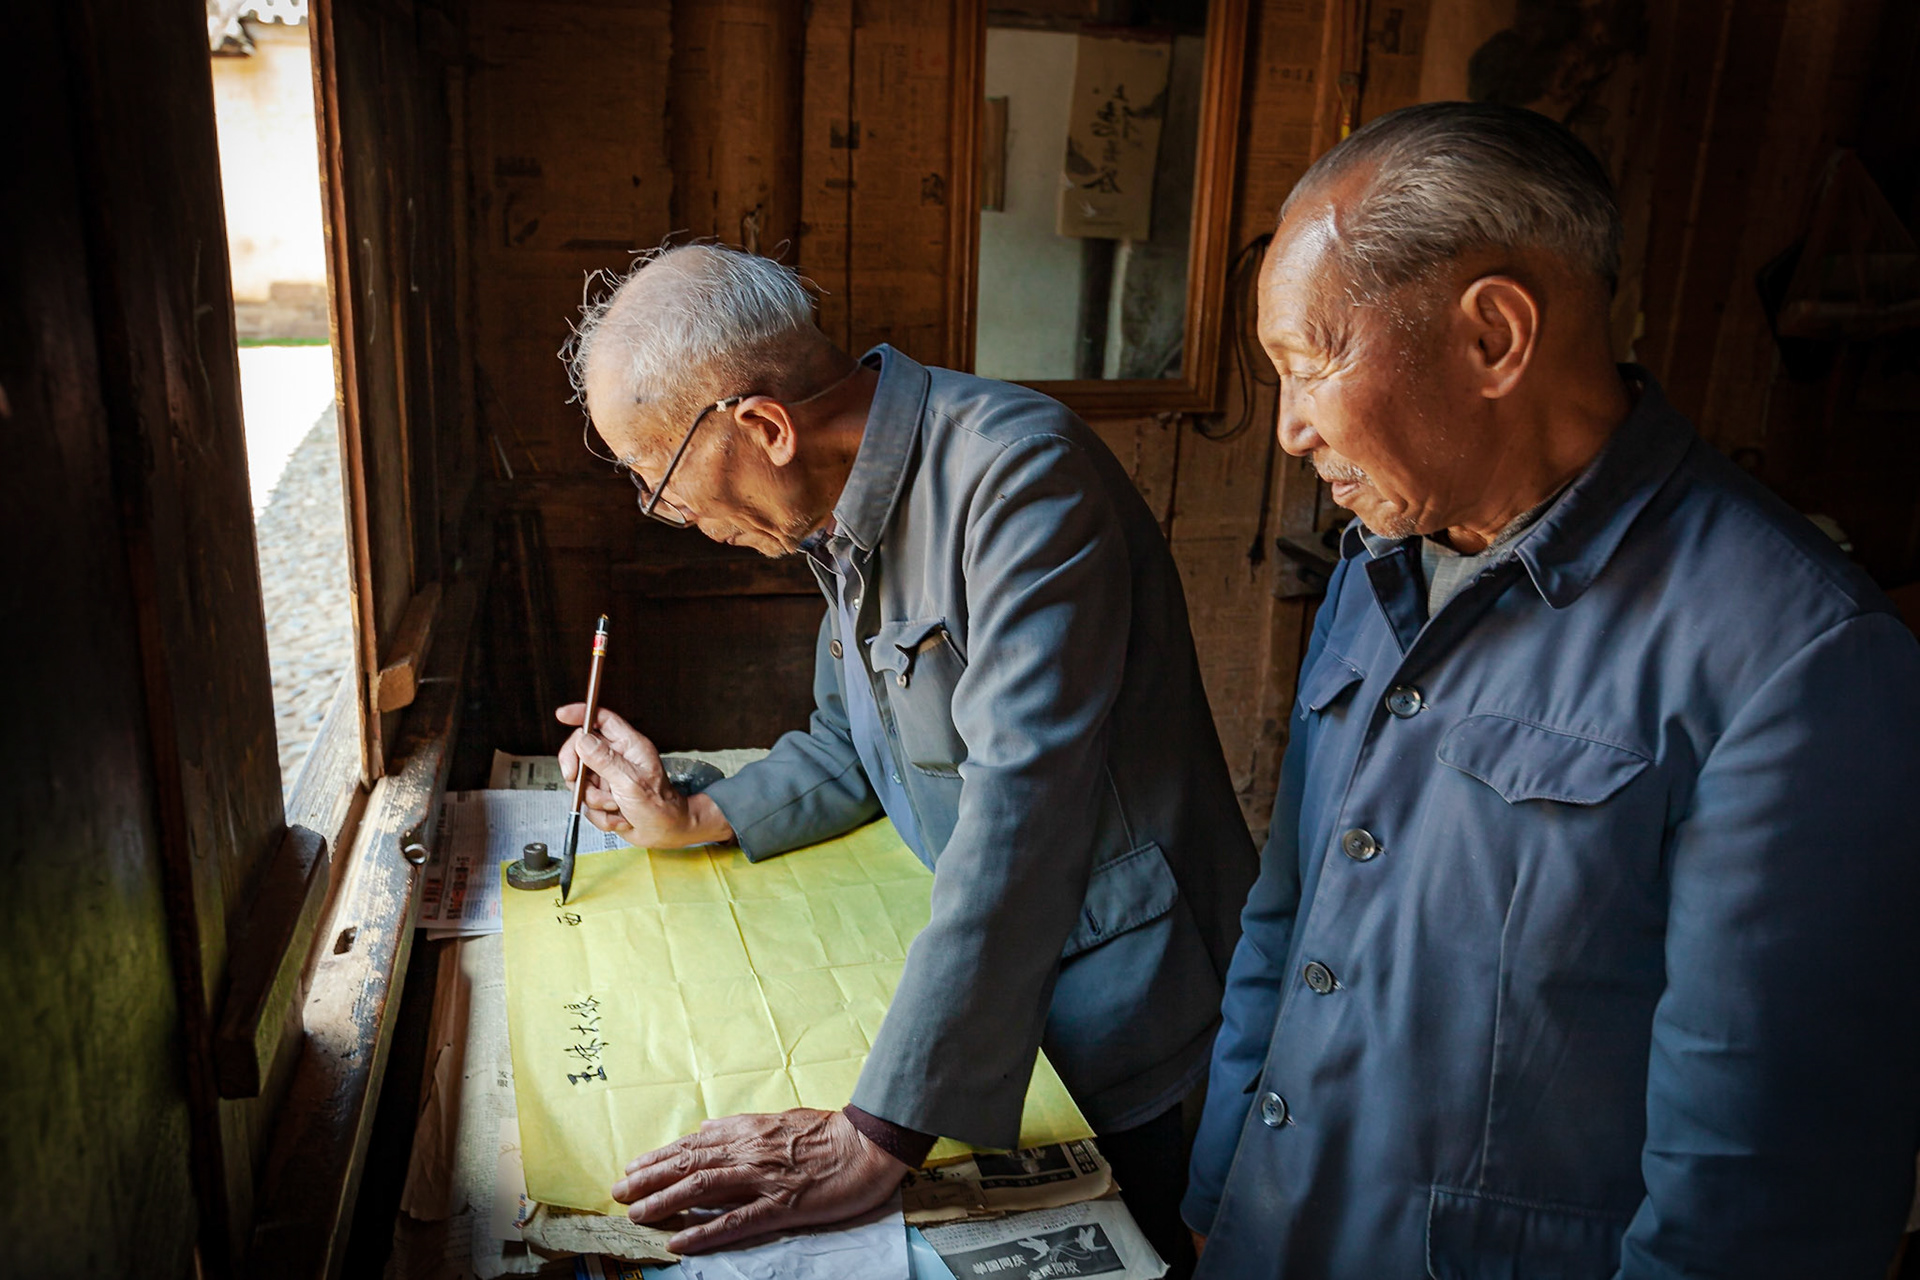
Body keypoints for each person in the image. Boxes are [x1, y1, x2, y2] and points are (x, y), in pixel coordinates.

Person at [1184, 101, 1920, 1278]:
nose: (1291, 431)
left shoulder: (1799, 656)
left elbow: (1760, 1183)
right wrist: (1222, 1184)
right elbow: (1287, 916)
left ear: (1492, 336)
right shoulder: (1381, 568)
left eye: (1310, 361)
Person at [556, 243, 1256, 1270]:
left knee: (1149, 1231)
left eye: (658, 479)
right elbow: (853, 738)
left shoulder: (1022, 480)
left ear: (763, 426)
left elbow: (1023, 814)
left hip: (1119, 993)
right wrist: (691, 813)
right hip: (984, 980)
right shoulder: (837, 510)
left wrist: (877, 1131)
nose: (672, 517)